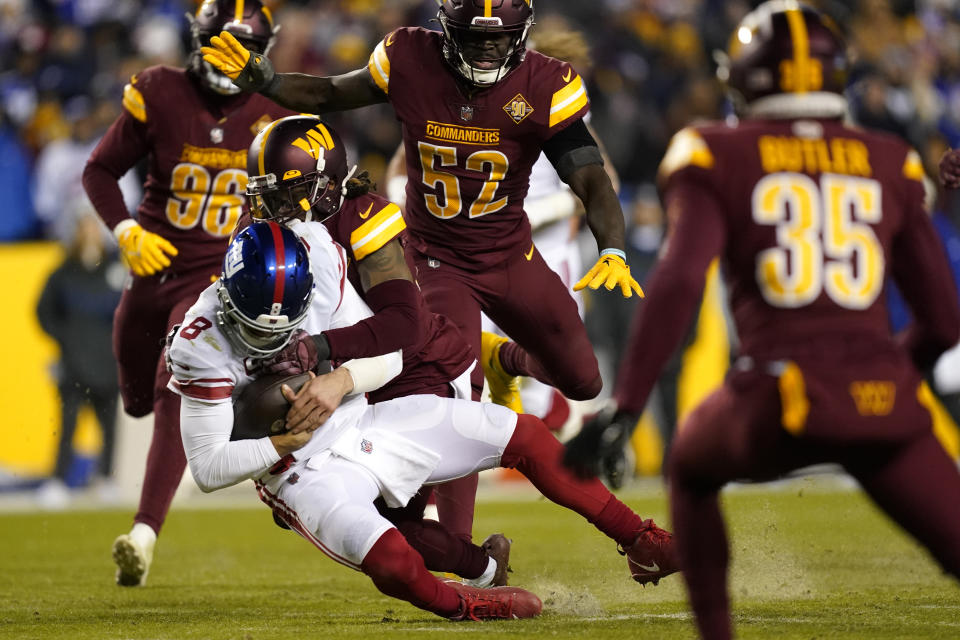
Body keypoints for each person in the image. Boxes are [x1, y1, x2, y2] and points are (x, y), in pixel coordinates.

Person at [563, 3, 960, 639]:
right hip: (880, 401)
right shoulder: (891, 158)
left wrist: (627, 406)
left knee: (690, 469)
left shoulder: (713, 150)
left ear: (744, 79)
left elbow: (681, 280)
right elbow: (943, 322)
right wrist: (883, 376)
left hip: (774, 399)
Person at [201, 0, 643, 542]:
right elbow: (330, 94)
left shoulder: (546, 84)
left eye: (498, 38)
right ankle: (463, 550)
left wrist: (613, 249)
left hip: (509, 255)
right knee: (455, 393)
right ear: (446, 29)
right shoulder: (409, 56)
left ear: (521, 33)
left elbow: (592, 178)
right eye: (473, 37)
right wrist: (266, 80)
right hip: (435, 255)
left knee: (582, 380)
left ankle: (505, 361)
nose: (486, 49)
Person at [167, 221, 677, 621]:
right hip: (298, 468)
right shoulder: (201, 340)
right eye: (258, 329)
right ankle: (465, 605)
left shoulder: (319, 261)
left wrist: (339, 379)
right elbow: (210, 469)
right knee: (391, 558)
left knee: (527, 437)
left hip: (361, 417)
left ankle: (641, 541)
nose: (271, 340)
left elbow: (390, 353)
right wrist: (285, 441)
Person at [244, 114, 513, 585]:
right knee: (340, 509)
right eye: (266, 195)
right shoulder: (264, 228)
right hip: (353, 379)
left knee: (385, 525)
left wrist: (319, 349)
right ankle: (487, 569)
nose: (272, 208)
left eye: (285, 194)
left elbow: (402, 327)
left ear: (325, 187)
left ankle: (487, 571)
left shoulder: (365, 219)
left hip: (417, 370)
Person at [81, 0, 295, 586]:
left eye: (244, 47)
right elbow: (99, 170)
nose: (229, 59)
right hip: (152, 265)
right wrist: (125, 230)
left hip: (216, 275)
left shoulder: (275, 111)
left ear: (264, 53)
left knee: (175, 380)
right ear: (195, 38)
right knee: (135, 397)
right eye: (217, 42)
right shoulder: (159, 90)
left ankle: (144, 532)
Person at [35, 210, 124, 508]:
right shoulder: (63, 273)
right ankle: (59, 481)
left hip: (107, 364)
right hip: (73, 365)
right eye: (84, 228)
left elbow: (129, 313)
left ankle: (106, 479)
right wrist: (67, 340)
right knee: (68, 424)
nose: (90, 234)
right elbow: (43, 312)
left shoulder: (116, 271)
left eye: (94, 228)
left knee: (109, 425)